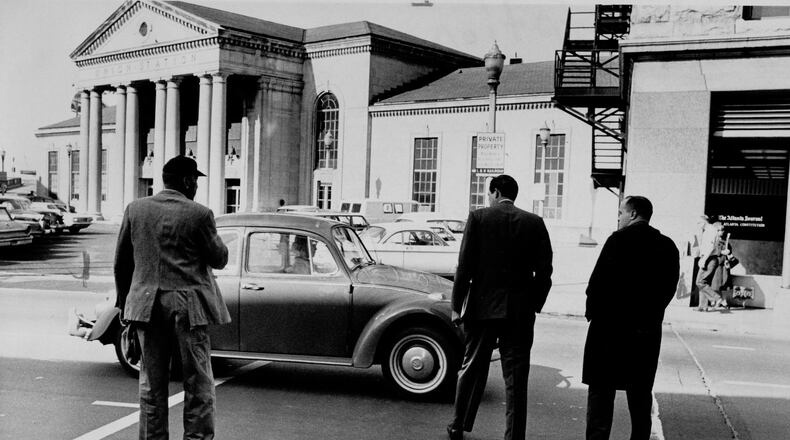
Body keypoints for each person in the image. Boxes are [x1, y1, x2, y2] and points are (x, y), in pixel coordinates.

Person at [114, 155, 230, 440]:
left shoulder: (135, 209)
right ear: (188, 182)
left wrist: (125, 306)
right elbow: (220, 259)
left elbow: (122, 264)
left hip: (146, 305)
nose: (196, 187)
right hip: (188, 308)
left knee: (151, 386)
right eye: (196, 181)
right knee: (198, 384)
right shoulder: (199, 214)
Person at [447, 174, 553, 440]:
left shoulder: (479, 218)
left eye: (489, 193)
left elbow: (465, 267)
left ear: (495, 192)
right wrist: (534, 303)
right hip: (520, 312)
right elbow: (545, 271)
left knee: (471, 369)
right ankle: (514, 436)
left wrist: (456, 306)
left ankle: (459, 424)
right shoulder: (534, 223)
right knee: (516, 379)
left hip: (482, 308)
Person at [582, 196, 679, 440]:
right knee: (640, 394)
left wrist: (592, 311)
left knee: (601, 393)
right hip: (644, 333)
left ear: (633, 214)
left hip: (609, 331)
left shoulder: (617, 241)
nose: (619, 217)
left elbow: (597, 283)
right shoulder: (667, 246)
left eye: (621, 212)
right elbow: (668, 289)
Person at [695, 222, 736, 311]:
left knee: (701, 282)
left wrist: (703, 259)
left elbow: (711, 248)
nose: (720, 232)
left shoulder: (710, 233)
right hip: (710, 260)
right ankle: (703, 306)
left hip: (710, 260)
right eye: (719, 230)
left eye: (721, 230)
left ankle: (717, 299)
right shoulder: (706, 233)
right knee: (703, 283)